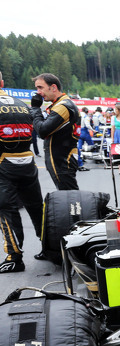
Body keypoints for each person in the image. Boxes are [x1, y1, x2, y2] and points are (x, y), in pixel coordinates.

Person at [0, 70, 44, 273]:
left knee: (6, 209)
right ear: (2, 81)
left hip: (3, 163)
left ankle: (14, 256)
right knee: (36, 207)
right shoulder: (21, 102)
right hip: (28, 162)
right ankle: (51, 248)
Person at [30, 73, 80, 190]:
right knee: (67, 196)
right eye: (37, 88)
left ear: (53, 87)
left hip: (63, 161)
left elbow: (42, 131)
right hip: (60, 160)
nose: (38, 92)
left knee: (69, 197)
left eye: (40, 87)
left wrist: (35, 109)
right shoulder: (59, 104)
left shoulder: (63, 106)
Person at [77, 107, 93, 171]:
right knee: (92, 144)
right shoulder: (86, 117)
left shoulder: (78, 115)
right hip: (84, 131)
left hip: (78, 131)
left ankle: (81, 157)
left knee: (79, 146)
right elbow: (87, 125)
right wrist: (93, 130)